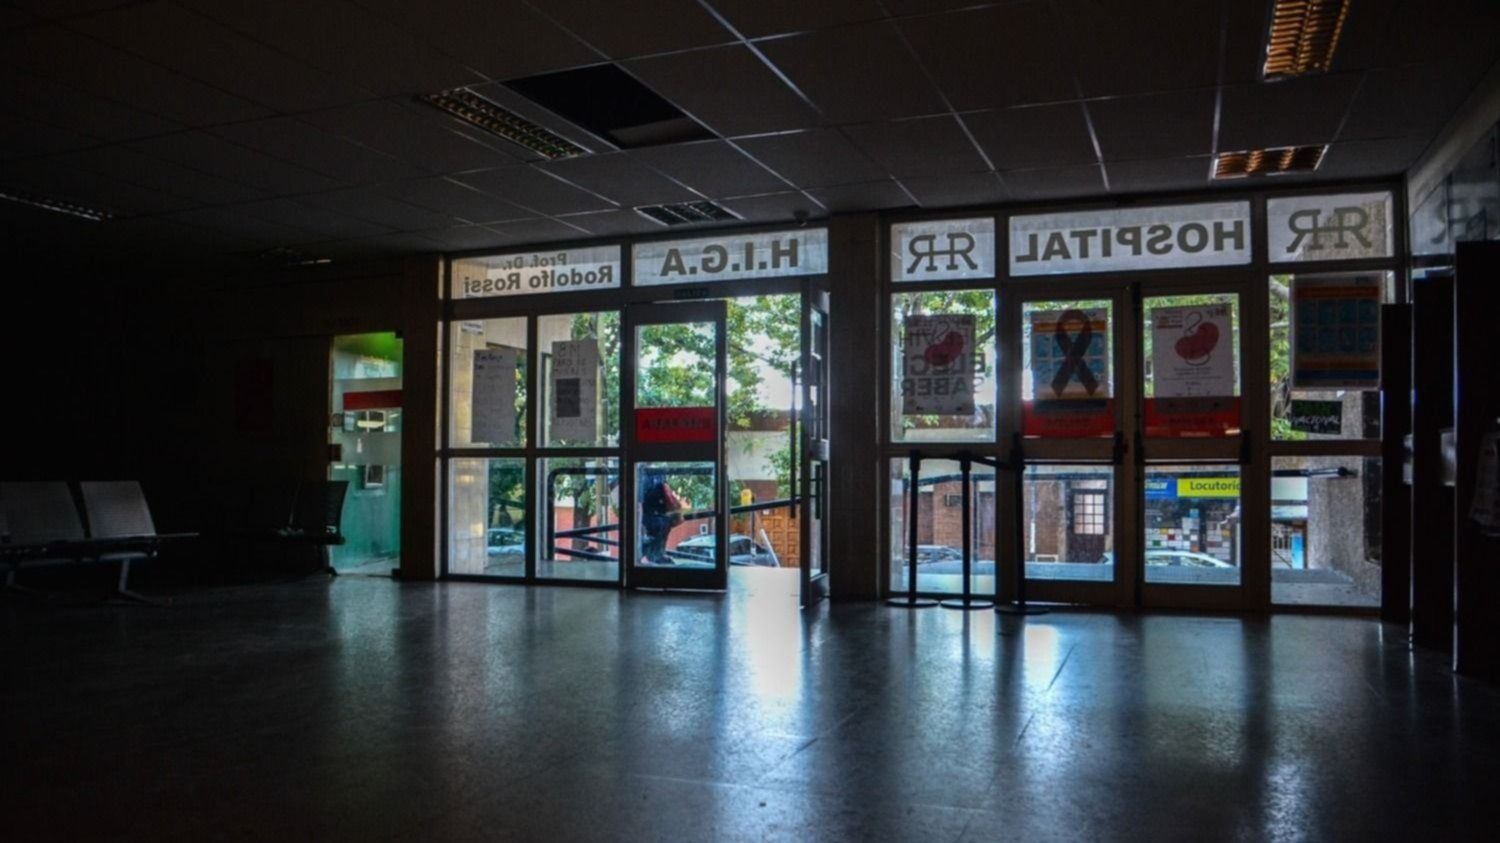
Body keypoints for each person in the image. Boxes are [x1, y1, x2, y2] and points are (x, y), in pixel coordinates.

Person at [639, 469, 684, 565]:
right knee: (660, 525)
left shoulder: (659, 472)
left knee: (664, 524)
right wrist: (639, 524)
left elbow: (665, 491)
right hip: (649, 513)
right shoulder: (643, 473)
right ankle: (651, 556)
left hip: (658, 511)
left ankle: (657, 555)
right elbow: (639, 501)